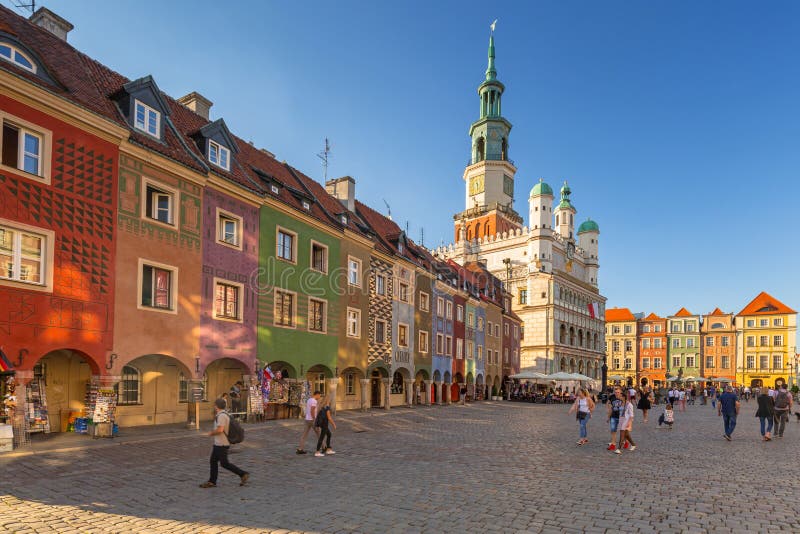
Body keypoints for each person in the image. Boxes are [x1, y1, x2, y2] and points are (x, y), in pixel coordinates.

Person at [200, 398, 248, 488]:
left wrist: (211, 433)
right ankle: (212, 481)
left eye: (214, 405)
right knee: (213, 461)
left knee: (224, 463)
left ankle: (243, 474)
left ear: (216, 406)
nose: (214, 407)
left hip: (222, 444)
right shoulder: (224, 414)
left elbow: (220, 430)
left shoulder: (222, 416)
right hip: (219, 443)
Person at [297, 390, 321, 454]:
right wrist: (315, 419)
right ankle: (324, 447)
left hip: (307, 419)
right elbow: (312, 411)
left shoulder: (309, 400)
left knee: (304, 435)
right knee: (319, 434)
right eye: (319, 396)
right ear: (317, 394)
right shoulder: (314, 401)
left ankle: (300, 448)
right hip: (312, 420)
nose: (319, 397)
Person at [606, 386, 623, 451]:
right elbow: (609, 405)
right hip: (613, 416)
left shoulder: (623, 397)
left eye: (618, 392)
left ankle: (625, 441)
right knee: (613, 430)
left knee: (622, 431)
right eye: (615, 392)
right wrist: (608, 416)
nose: (617, 393)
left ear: (620, 392)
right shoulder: (612, 397)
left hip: (621, 417)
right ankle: (613, 444)